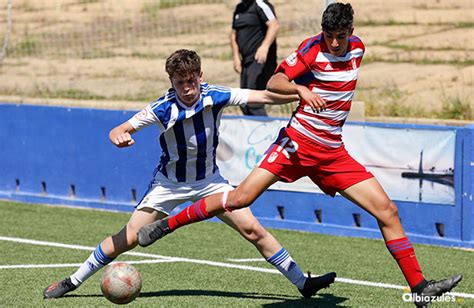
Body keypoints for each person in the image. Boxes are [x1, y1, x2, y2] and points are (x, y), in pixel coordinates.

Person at [137, 4, 462, 307]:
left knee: (387, 210)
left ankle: (419, 290)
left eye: (340, 36)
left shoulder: (358, 49)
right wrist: (301, 89)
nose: (334, 42)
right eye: (328, 35)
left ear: (351, 31)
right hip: (294, 145)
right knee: (238, 199)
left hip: (332, 153)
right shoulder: (312, 49)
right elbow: (276, 80)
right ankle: (167, 225)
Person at [43, 49, 336, 300]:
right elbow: (118, 129)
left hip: (210, 182)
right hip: (168, 185)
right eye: (181, 82)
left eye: (192, 80)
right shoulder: (161, 108)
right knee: (130, 237)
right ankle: (73, 281)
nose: (187, 87)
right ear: (172, 82)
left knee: (253, 230)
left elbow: (261, 95)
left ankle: (303, 283)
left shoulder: (216, 95)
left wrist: (299, 91)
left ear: (200, 75)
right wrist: (119, 137)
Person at [231, 0, 279, 116]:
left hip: (260, 60)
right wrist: (236, 57)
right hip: (246, 61)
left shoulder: (260, 4)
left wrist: (264, 47)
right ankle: (252, 131)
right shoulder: (239, 8)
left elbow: (274, 25)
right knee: (244, 102)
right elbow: (233, 35)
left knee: (254, 102)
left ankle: (265, 131)